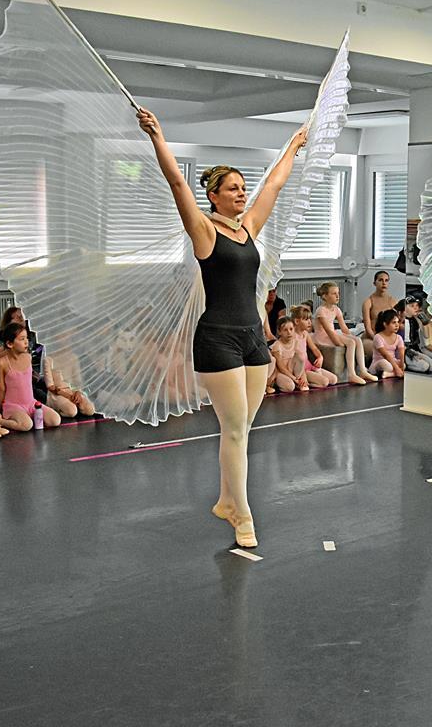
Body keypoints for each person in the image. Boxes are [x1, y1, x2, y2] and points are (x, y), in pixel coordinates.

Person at [139, 107, 306, 549]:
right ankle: (242, 514)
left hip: (253, 338)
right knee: (233, 430)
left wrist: (293, 147)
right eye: (233, 188)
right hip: (217, 339)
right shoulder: (204, 231)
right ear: (213, 196)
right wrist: (158, 136)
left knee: (242, 430)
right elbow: (177, 184)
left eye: (243, 187)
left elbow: (274, 185)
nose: (242, 193)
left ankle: (226, 500)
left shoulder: (247, 228)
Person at [0, 322, 60, 432]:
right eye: (22, 339)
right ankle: (0, 421)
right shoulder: (2, 363)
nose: (26, 342)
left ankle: (27, 416)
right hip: (13, 405)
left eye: (26, 338)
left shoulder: (28, 357)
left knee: (55, 420)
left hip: (30, 403)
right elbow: (1, 388)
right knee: (27, 425)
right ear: (10, 344)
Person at [314, 281, 377, 386]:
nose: (337, 296)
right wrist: (339, 343)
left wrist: (350, 336)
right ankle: (351, 374)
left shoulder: (336, 309)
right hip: (323, 337)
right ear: (325, 296)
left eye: (338, 293)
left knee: (357, 340)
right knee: (351, 343)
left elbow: (344, 327)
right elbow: (328, 331)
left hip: (332, 333)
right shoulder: (321, 311)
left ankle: (362, 370)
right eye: (334, 293)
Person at [291, 305, 337, 387]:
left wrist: (320, 357)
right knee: (325, 382)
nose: (309, 322)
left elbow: (314, 348)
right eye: (306, 320)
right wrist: (302, 374)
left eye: (310, 319)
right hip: (302, 369)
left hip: (309, 365)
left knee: (334, 379)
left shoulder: (305, 334)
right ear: (297, 321)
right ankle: (305, 384)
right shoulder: (293, 336)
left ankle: (311, 381)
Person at [397, 296, 432, 373]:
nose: (416, 308)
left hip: (414, 348)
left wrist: (422, 321)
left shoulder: (415, 320)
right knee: (425, 366)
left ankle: (411, 363)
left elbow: (426, 336)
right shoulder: (400, 323)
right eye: (412, 306)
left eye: (417, 306)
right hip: (404, 350)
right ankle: (405, 366)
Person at [360, 270, 395, 358]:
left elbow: (397, 324)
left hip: (388, 338)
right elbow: (368, 329)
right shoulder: (368, 302)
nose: (384, 283)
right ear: (374, 283)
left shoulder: (393, 302)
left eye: (386, 280)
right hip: (371, 338)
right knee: (382, 354)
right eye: (380, 280)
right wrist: (379, 340)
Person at [270, 316, 309, 393]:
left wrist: (303, 377)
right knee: (290, 387)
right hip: (281, 373)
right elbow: (281, 367)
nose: (289, 332)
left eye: (291, 329)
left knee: (300, 356)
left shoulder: (295, 342)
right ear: (279, 332)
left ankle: (299, 383)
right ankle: (281, 384)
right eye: (285, 330)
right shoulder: (277, 345)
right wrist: (294, 379)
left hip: (292, 371)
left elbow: (301, 362)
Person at [369, 309, 406, 378]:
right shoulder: (378, 337)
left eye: (398, 322)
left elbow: (402, 354)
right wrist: (397, 368)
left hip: (392, 362)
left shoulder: (398, 337)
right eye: (394, 322)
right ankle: (394, 373)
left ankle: (388, 374)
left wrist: (401, 366)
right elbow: (386, 355)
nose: (397, 325)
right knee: (388, 366)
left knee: (403, 365)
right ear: (385, 324)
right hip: (380, 362)